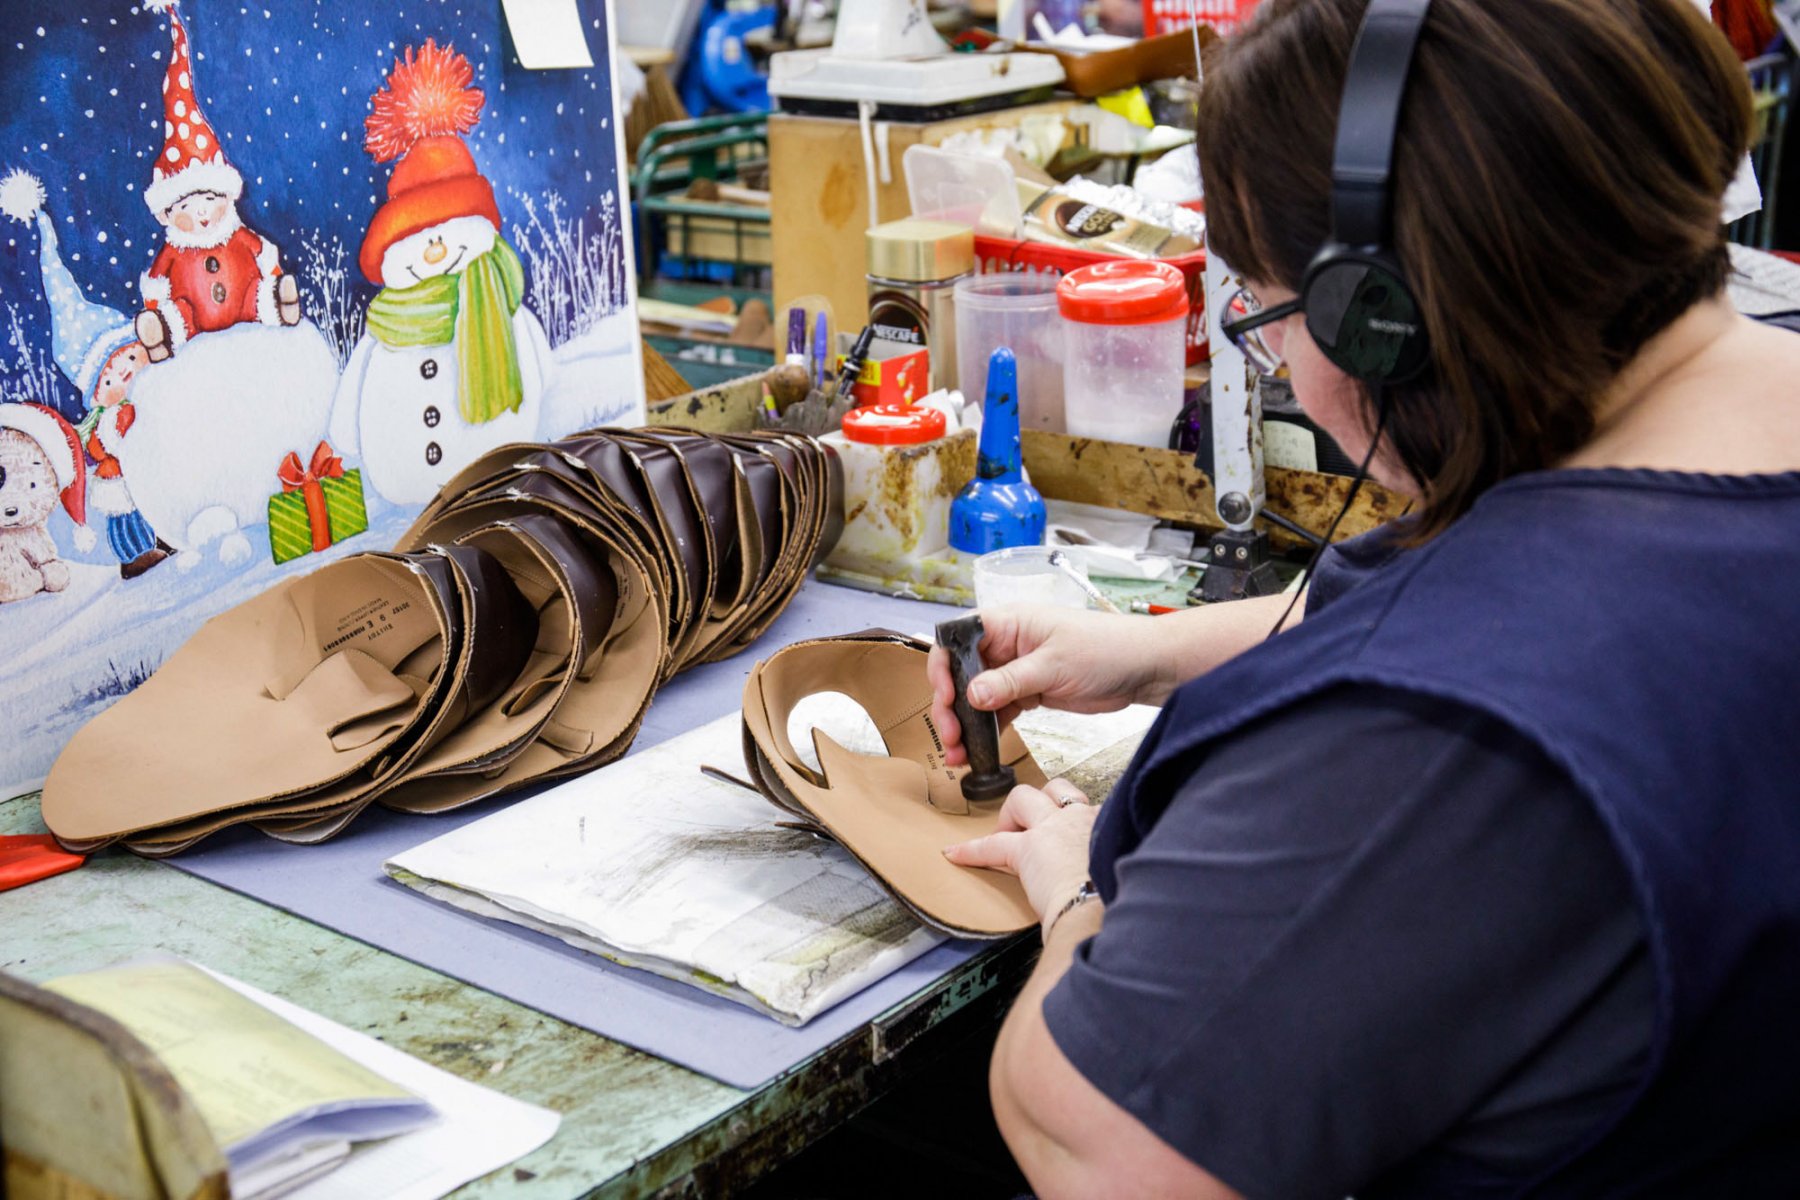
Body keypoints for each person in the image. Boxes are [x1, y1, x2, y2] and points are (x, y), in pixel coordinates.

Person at [927, 0, 1800, 1195]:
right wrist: (1147, 651)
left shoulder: (1444, 732)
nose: (1280, 356)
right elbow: (1521, 594)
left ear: (1381, 317)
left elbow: (1102, 1146)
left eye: (1272, 309)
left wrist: (1079, 891)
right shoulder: (1724, 438)